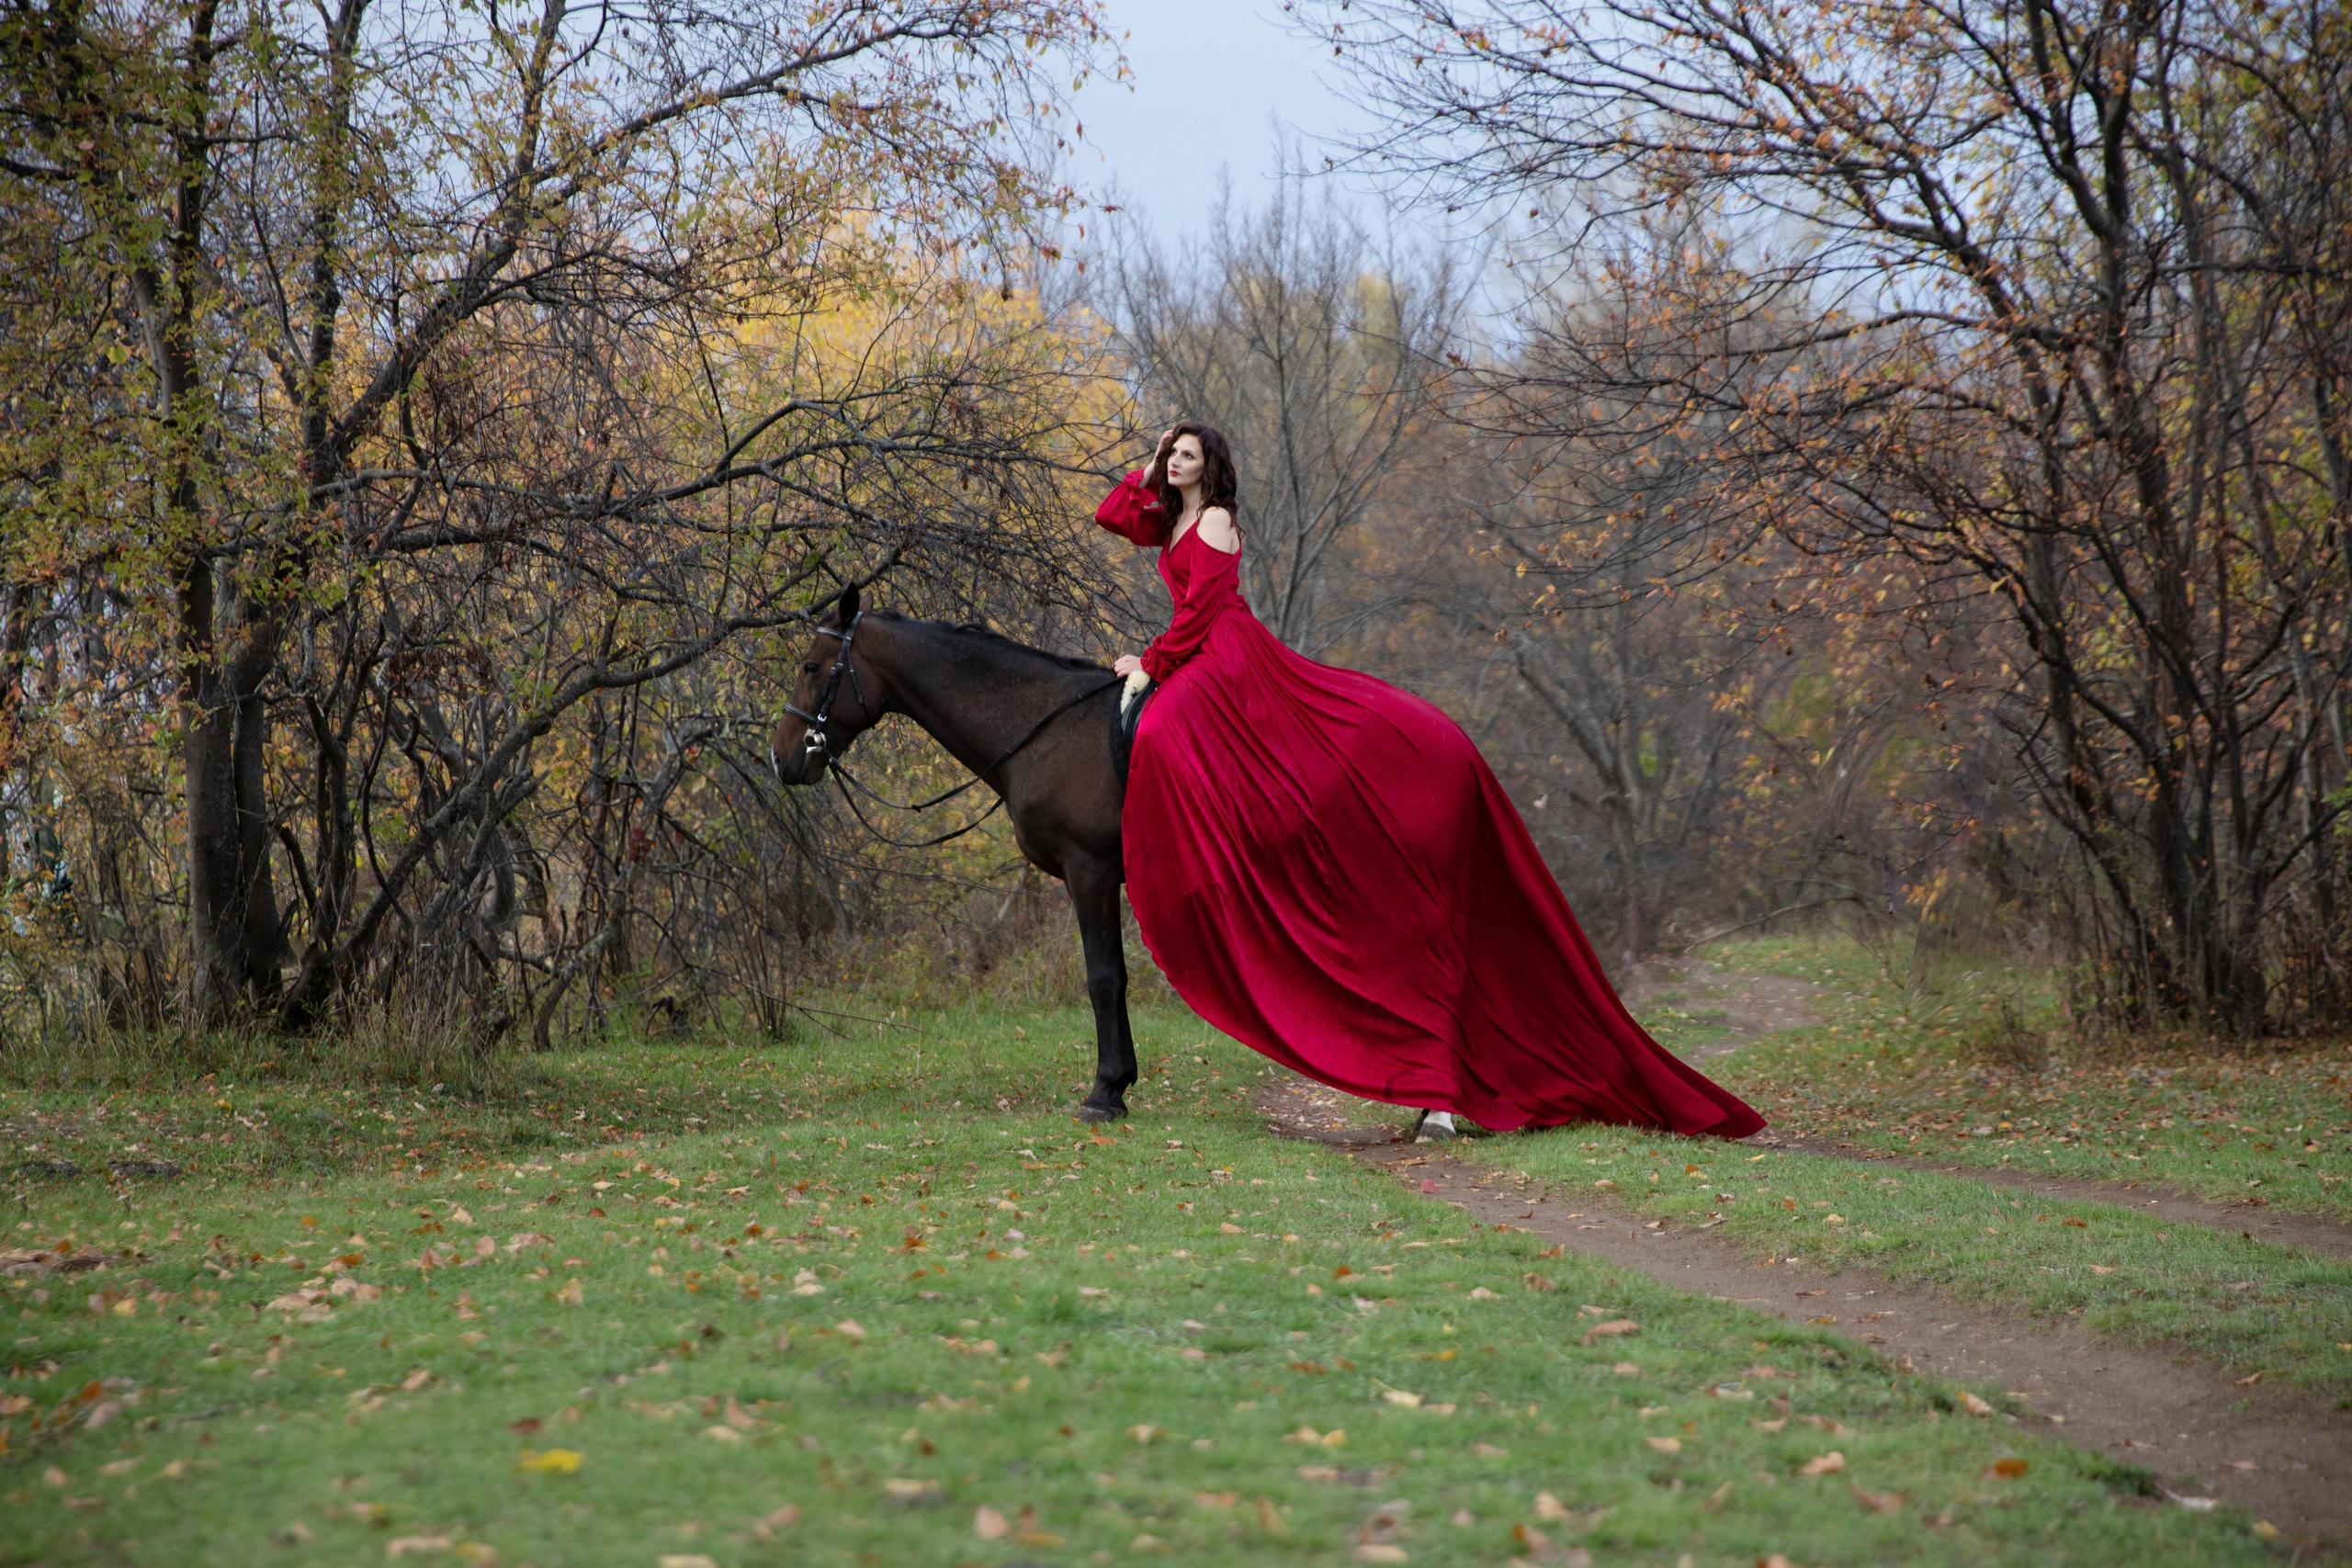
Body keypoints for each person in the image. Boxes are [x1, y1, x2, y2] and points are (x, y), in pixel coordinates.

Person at [1097, 423, 1765, 1142]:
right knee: (1162, 727)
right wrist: (1149, 458)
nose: (1176, 462)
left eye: (1186, 454)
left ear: (1212, 467)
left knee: (1162, 731)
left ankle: (1201, 861)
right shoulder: (1171, 516)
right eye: (1172, 456)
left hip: (1226, 653)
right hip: (1197, 651)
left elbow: (1200, 613)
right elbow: (1114, 515)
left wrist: (1151, 663)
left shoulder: (1220, 520)